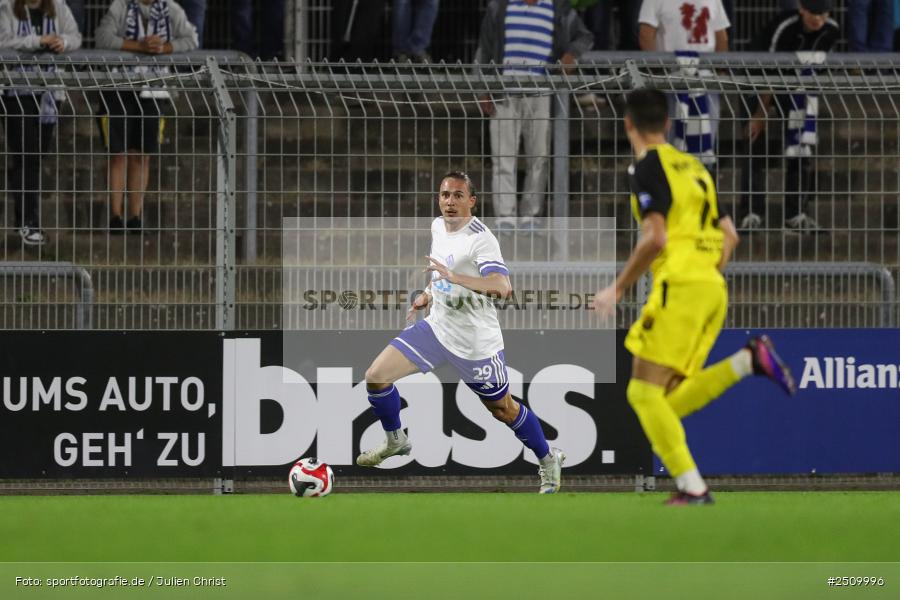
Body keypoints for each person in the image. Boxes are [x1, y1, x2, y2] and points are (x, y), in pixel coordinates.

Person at [593, 89, 796, 505]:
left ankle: (693, 486)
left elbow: (655, 237)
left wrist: (617, 288)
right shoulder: (697, 168)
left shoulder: (647, 167)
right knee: (665, 400)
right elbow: (731, 236)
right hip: (712, 288)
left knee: (642, 394)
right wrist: (704, 274)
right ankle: (747, 361)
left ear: (628, 124)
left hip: (682, 286)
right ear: (668, 124)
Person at [357, 171, 566, 494]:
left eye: (457, 195)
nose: (449, 202)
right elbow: (441, 271)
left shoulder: (481, 238)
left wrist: (454, 278)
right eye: (444, 195)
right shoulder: (438, 226)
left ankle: (547, 459)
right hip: (437, 328)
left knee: (503, 410)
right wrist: (428, 293)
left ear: (472, 201)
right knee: (376, 376)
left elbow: (502, 287)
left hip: (475, 344)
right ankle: (396, 440)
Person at [474, 0, 592, 230]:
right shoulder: (499, 7)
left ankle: (531, 215)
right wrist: (483, 88)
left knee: (538, 157)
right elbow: (484, 48)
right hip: (504, 90)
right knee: (502, 157)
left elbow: (584, 36)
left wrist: (571, 54)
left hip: (541, 92)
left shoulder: (559, 8)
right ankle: (505, 217)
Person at [95, 0, 197, 233]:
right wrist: (138, 47)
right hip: (117, 86)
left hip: (154, 88)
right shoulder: (119, 6)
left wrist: (164, 48)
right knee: (118, 154)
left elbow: (191, 39)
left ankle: (135, 217)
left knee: (143, 155)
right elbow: (102, 37)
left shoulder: (171, 9)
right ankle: (115, 217)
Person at [740, 0, 839, 232]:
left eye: (823, 14)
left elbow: (821, 71)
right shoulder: (785, 26)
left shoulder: (831, 30)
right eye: (814, 13)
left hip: (797, 87)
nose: (819, 20)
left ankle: (796, 213)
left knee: (801, 146)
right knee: (754, 142)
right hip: (757, 79)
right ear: (802, 9)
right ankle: (751, 213)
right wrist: (761, 113)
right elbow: (769, 71)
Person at [0, 0, 81, 245]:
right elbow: (3, 42)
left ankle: (26, 221)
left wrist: (62, 42)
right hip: (15, 91)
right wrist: (38, 41)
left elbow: (75, 36)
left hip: (49, 92)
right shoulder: (5, 7)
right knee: (26, 154)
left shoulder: (59, 7)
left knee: (35, 155)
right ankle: (28, 223)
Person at [638, 0, 730, 173]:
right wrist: (659, 70)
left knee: (696, 144)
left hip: (703, 80)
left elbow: (721, 37)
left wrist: (720, 69)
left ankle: (695, 191)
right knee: (673, 145)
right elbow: (645, 35)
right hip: (672, 81)